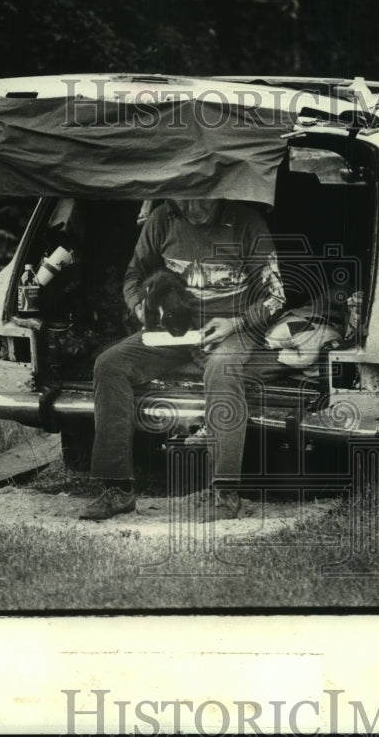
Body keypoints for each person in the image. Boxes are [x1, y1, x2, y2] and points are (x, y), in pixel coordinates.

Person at [80, 198, 285, 521]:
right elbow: (133, 275)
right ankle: (117, 488)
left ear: (219, 189)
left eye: (200, 198)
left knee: (221, 368)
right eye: (182, 199)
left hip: (232, 327)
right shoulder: (162, 218)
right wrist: (139, 305)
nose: (191, 209)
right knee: (109, 364)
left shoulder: (247, 222)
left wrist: (235, 323)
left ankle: (225, 494)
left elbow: (276, 296)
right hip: (176, 329)